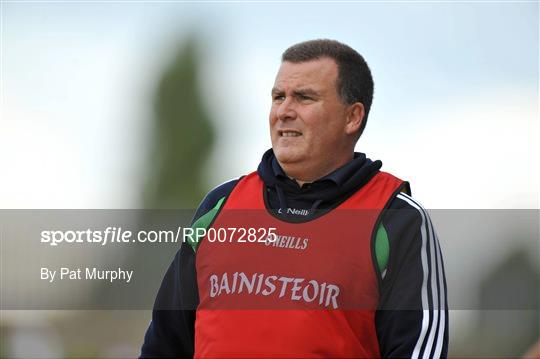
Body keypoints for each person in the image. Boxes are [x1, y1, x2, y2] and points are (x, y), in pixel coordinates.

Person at [140, 39, 449, 358]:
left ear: (352, 117)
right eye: (278, 97)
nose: (284, 111)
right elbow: (164, 344)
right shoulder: (219, 206)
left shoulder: (397, 219)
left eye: (304, 98)